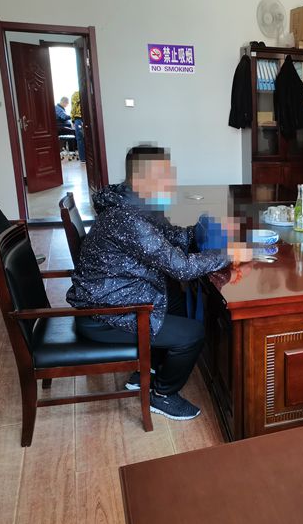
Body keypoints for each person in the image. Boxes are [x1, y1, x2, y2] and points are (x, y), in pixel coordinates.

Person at [67, 145, 251, 420]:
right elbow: (181, 268)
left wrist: (202, 230)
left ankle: (150, 367)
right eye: (163, 177)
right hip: (107, 314)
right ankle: (163, 394)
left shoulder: (133, 205)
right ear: (140, 180)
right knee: (193, 333)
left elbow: (169, 238)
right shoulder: (127, 219)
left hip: (120, 294)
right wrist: (229, 254)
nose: (170, 183)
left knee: (178, 300)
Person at [71, 91, 86, 162]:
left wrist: (72, 119)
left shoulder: (75, 94)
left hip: (78, 118)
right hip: (86, 117)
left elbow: (73, 108)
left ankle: (83, 158)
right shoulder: (88, 92)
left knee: (80, 139)